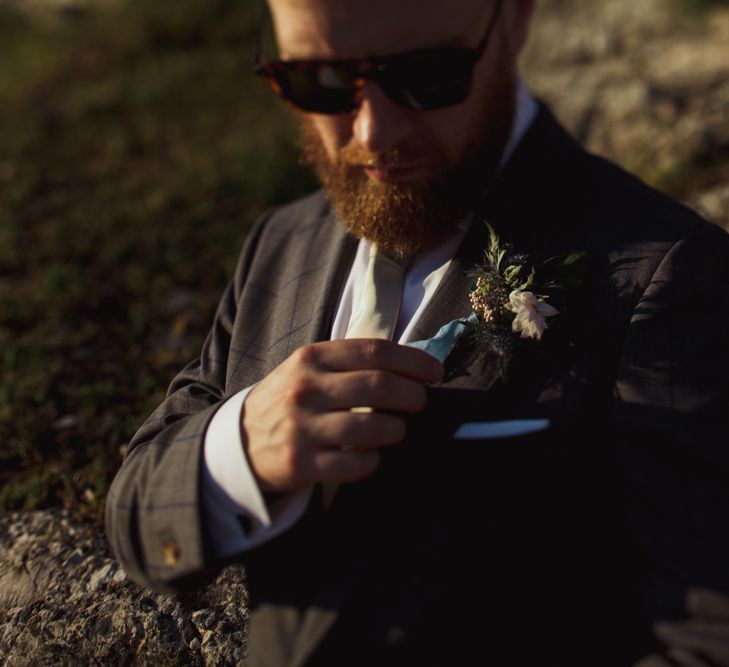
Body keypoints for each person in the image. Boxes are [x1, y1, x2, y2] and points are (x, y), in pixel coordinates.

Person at [105, 0, 729, 664]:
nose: (372, 133)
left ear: (514, 18)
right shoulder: (279, 243)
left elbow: (706, 638)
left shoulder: (669, 273)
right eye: (317, 82)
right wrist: (237, 448)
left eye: (428, 76)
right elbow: (135, 518)